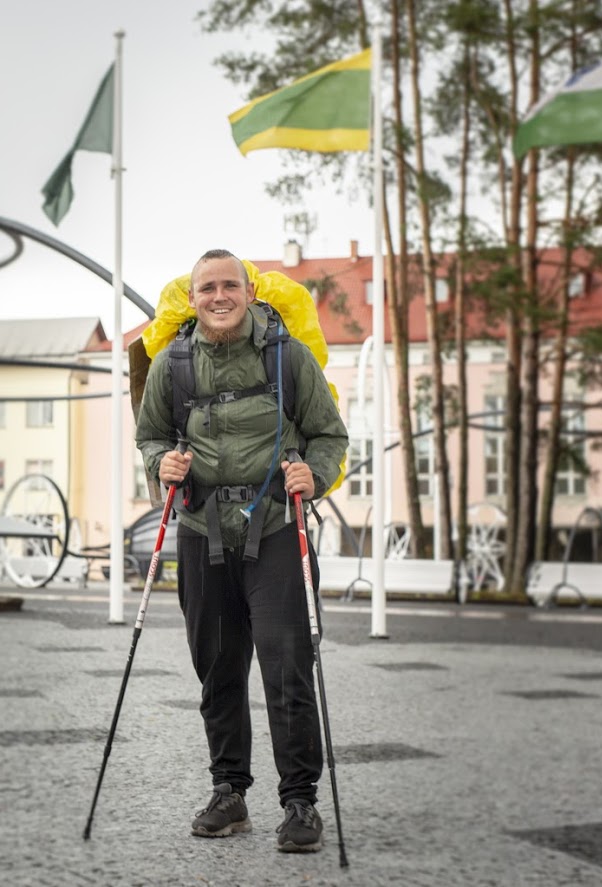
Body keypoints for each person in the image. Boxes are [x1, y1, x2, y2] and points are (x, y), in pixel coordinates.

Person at [135, 249, 349, 854]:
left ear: (251, 291)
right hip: (203, 532)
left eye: (231, 285)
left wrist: (317, 473)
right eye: (208, 287)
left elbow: (330, 433)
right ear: (194, 296)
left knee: (286, 668)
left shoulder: (287, 355)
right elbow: (149, 433)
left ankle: (300, 802)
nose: (219, 296)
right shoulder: (171, 365)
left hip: (276, 527)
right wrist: (162, 462)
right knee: (218, 670)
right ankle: (229, 794)